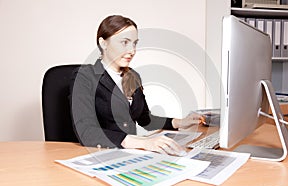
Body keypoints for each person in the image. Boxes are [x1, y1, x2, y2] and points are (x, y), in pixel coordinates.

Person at [70, 15, 203, 156]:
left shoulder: (133, 76)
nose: (132, 51)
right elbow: (85, 130)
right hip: (99, 155)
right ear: (103, 43)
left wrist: (180, 122)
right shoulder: (85, 76)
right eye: (124, 42)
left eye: (134, 43)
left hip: (130, 156)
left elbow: (146, 119)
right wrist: (142, 143)